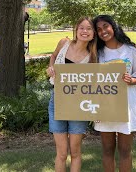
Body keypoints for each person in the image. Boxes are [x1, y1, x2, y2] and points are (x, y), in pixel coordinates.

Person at [92, 15, 136, 172]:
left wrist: (130, 80)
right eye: (99, 29)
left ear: (113, 26)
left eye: (105, 26)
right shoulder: (97, 54)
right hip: (104, 107)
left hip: (127, 106)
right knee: (107, 150)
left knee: (125, 151)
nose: (103, 31)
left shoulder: (131, 51)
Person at [46, 16, 97, 172]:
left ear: (94, 34)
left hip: (79, 106)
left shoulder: (93, 57)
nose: (85, 31)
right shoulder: (64, 43)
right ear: (76, 29)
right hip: (58, 102)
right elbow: (53, 56)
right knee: (61, 153)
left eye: (89, 29)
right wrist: (51, 67)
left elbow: (97, 84)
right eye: (82, 27)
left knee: (75, 152)